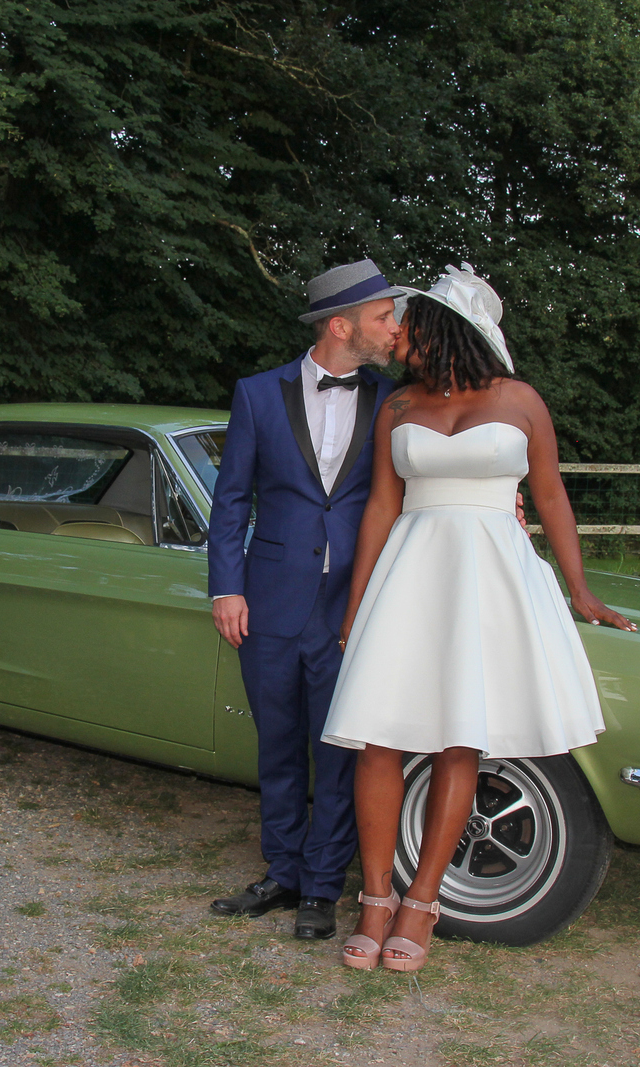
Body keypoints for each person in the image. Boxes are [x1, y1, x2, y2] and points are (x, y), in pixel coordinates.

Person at [321, 264, 636, 972]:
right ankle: (375, 897)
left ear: (447, 331)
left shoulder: (521, 400)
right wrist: (357, 602)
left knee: (458, 741)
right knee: (377, 739)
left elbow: (550, 496)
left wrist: (581, 591)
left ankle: (422, 902)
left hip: (490, 578)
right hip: (410, 576)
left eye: (411, 328)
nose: (399, 338)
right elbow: (382, 505)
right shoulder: (399, 406)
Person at [207, 258, 405, 940]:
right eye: (383, 316)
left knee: (341, 751)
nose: (394, 328)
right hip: (267, 601)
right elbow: (231, 499)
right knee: (278, 744)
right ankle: (283, 872)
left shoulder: (393, 400)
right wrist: (226, 586)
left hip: (352, 605)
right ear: (340, 326)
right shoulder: (257, 393)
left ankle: (322, 886)